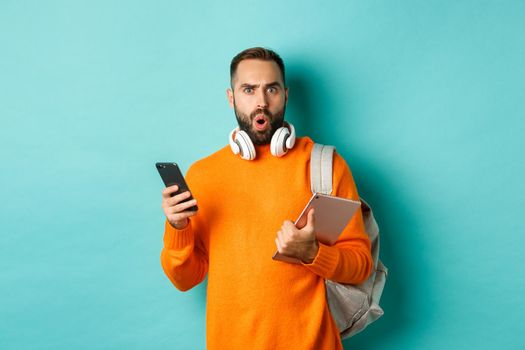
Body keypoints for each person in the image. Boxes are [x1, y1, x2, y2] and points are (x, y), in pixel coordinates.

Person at [160, 47, 373, 350]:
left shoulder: (325, 165)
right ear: (231, 97)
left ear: (285, 94)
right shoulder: (203, 175)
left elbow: (361, 265)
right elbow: (185, 279)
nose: (261, 102)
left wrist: (313, 253)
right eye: (248, 89)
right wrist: (178, 228)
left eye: (271, 89)